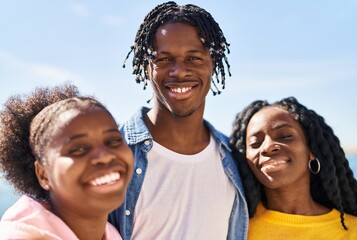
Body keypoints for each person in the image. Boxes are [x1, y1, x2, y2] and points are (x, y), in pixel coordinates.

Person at [108, 1, 248, 240]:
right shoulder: (110, 154)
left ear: (212, 64)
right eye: (163, 59)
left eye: (193, 59)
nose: (179, 71)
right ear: (145, 67)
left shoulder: (235, 160)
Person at [0, 84, 134, 240]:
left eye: (113, 140)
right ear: (43, 175)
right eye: (78, 149)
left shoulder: (110, 233)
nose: (105, 156)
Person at [230, 96, 357, 239]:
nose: (267, 147)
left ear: (311, 150)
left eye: (285, 136)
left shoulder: (354, 230)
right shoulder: (235, 227)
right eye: (255, 143)